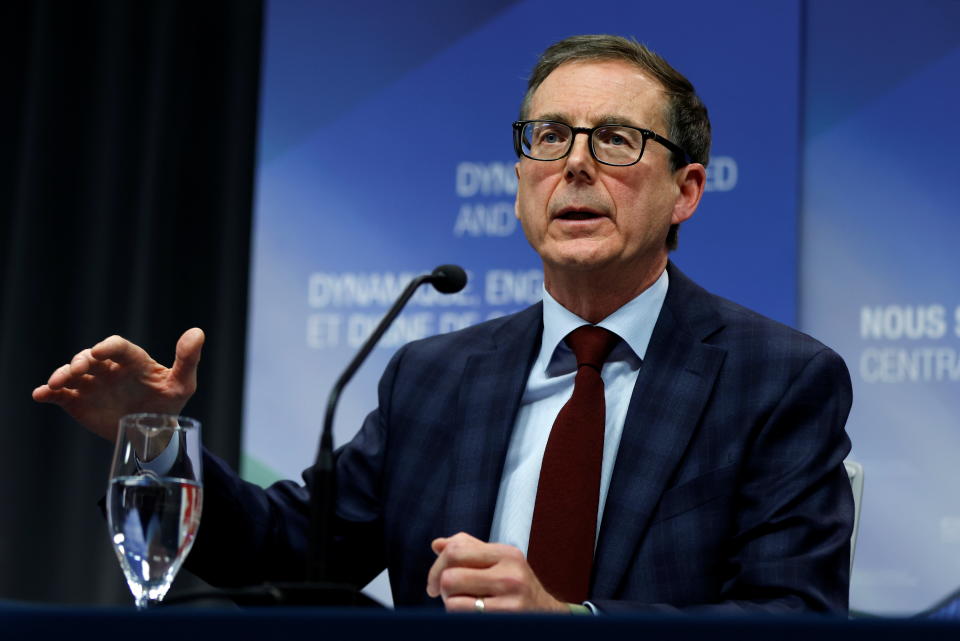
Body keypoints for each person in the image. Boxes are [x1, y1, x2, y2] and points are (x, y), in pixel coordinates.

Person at [33, 35, 853, 615]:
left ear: (688, 189)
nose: (574, 163)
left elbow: (794, 613)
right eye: (549, 136)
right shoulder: (434, 376)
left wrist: (571, 621)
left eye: (615, 140)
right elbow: (290, 551)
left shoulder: (775, 378)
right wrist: (150, 440)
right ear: (522, 174)